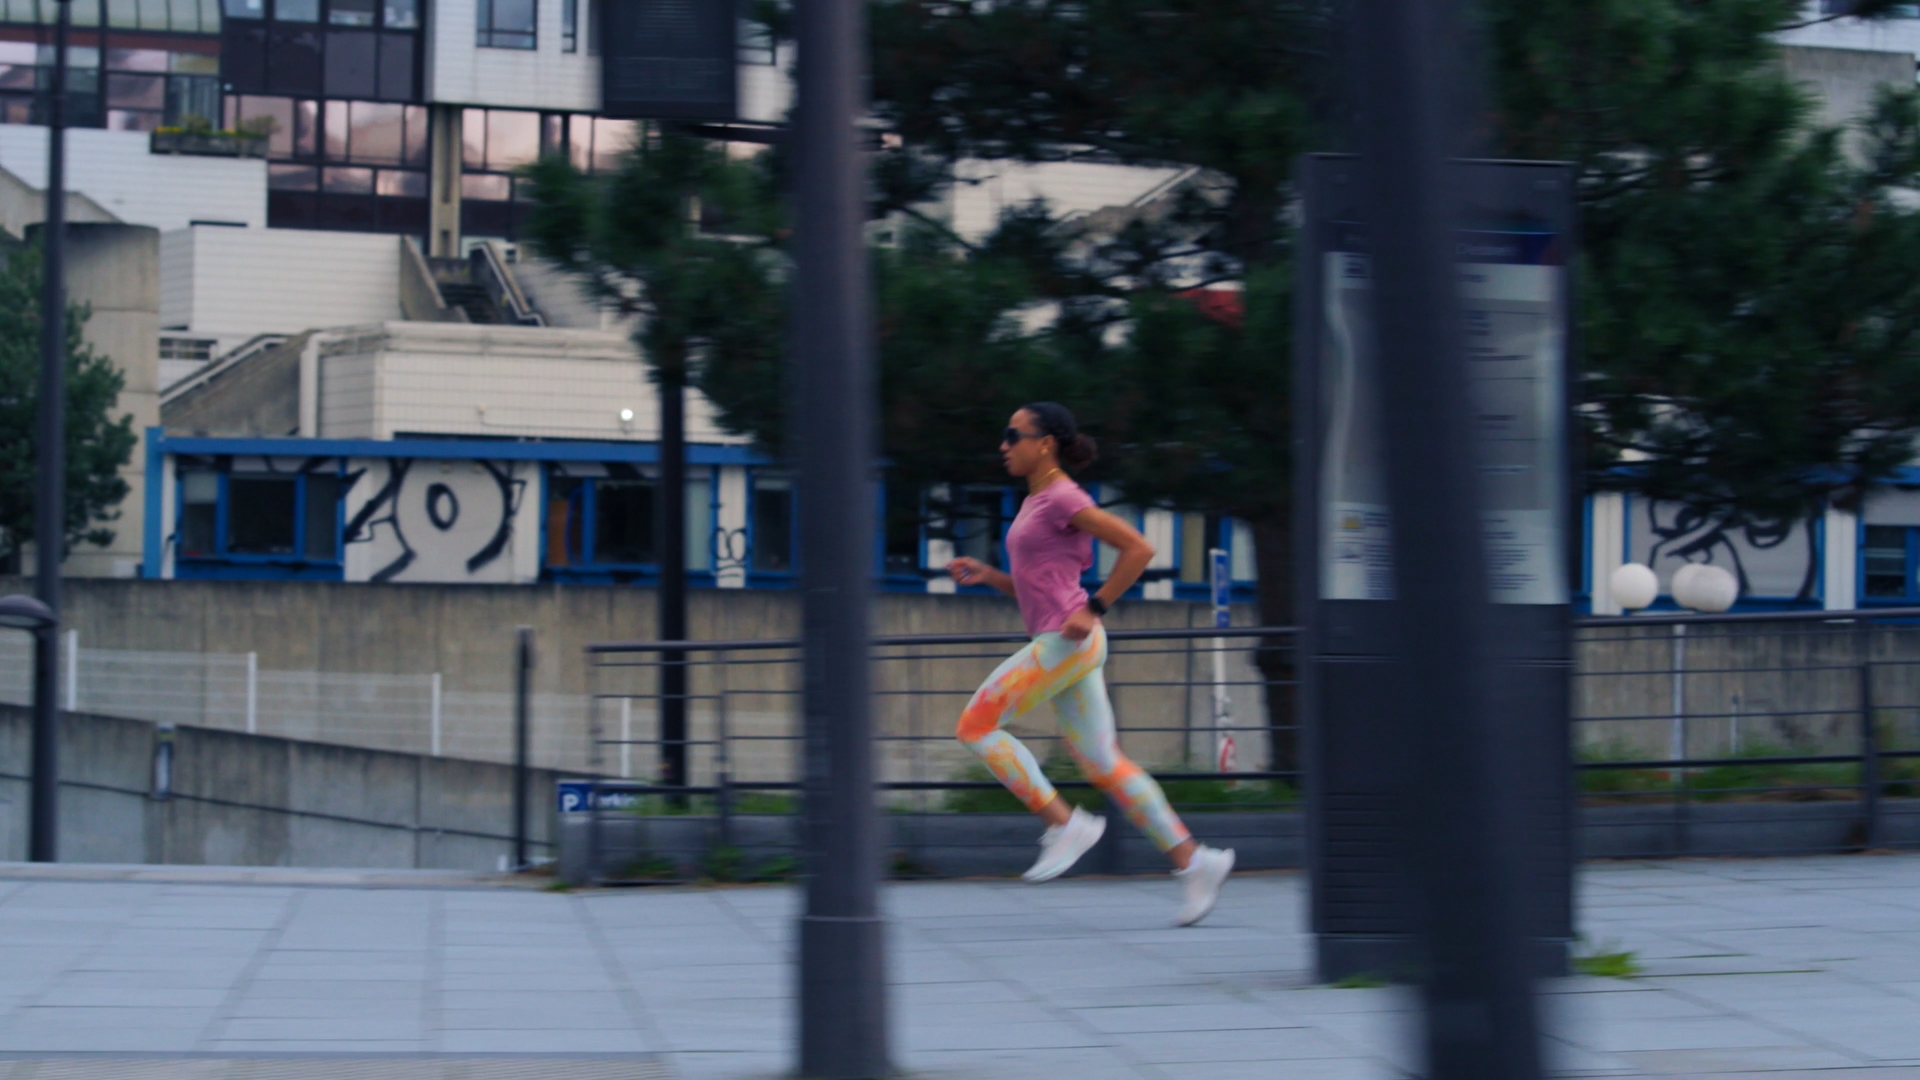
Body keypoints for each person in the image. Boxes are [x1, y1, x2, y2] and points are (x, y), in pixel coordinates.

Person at [948, 402, 1235, 926]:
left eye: (1013, 435)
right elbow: (1040, 590)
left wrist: (1095, 607)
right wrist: (990, 576)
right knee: (1105, 765)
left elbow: (1137, 547)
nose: (1003, 446)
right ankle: (1195, 861)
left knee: (975, 726)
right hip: (1063, 640)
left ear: (1045, 444)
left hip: (1068, 641)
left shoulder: (1062, 496)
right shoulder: (1036, 500)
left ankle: (1064, 824)